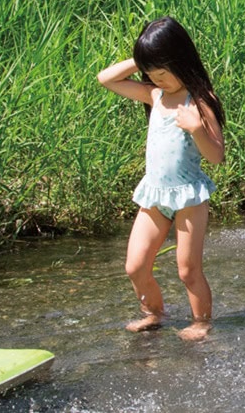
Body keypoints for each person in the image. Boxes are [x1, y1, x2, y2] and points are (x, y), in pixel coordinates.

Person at [97, 17, 225, 342]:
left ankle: (201, 322)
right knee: (135, 266)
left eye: (162, 74)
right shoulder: (154, 96)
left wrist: (197, 128)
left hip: (189, 197)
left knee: (187, 269)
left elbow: (216, 157)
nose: (157, 81)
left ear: (181, 61)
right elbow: (106, 79)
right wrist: (141, 60)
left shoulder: (199, 101)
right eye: (150, 75)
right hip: (154, 194)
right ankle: (154, 314)